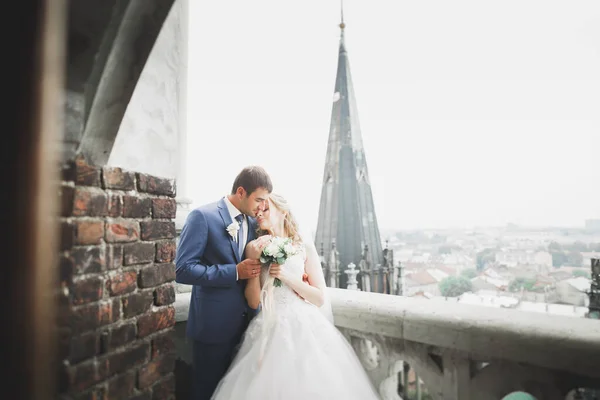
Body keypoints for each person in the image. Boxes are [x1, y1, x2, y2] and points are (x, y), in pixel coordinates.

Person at [211, 193, 380, 400]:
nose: (260, 214)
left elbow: (318, 298)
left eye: (266, 209)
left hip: (304, 325)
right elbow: (253, 301)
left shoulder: (302, 248)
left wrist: (287, 277)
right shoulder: (253, 248)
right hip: (269, 325)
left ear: (283, 212)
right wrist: (253, 260)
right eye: (258, 211)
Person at [175, 166, 273, 400]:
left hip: (248, 327)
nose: (262, 207)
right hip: (213, 328)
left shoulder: (253, 223)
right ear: (241, 191)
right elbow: (183, 270)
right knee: (207, 392)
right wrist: (234, 272)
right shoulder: (203, 217)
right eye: (259, 199)